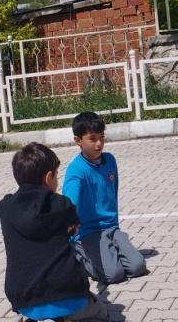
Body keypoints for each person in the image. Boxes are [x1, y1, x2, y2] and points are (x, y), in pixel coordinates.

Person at [0, 142, 108, 322]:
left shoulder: (5, 207)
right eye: (56, 176)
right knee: (101, 316)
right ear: (49, 177)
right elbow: (74, 229)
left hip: (23, 296)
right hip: (65, 290)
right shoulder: (62, 205)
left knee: (37, 301)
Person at [62, 111, 148, 288]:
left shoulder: (110, 161)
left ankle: (112, 246)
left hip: (111, 227)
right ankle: (76, 252)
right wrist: (70, 228)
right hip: (88, 232)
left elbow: (113, 193)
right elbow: (69, 204)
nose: (99, 143)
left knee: (138, 266)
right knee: (113, 274)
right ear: (78, 141)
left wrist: (113, 226)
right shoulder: (76, 170)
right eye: (92, 139)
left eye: (102, 137)